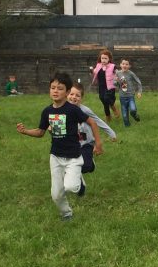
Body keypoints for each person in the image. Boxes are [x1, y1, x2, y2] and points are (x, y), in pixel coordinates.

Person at [16, 73, 104, 221]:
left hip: (73, 157)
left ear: (67, 92)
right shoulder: (47, 111)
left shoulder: (73, 110)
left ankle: (79, 182)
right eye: (53, 88)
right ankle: (66, 214)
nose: (55, 91)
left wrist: (98, 143)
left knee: (70, 187)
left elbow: (92, 123)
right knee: (56, 194)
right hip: (55, 157)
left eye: (60, 88)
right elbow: (40, 132)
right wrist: (25, 131)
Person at [67, 82, 116, 176]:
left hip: (87, 142)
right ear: (66, 94)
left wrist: (111, 133)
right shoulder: (64, 109)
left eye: (77, 95)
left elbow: (97, 121)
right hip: (73, 143)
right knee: (74, 167)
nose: (74, 97)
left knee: (86, 166)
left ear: (81, 98)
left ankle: (91, 164)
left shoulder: (85, 110)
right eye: (71, 94)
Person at [91, 49, 121, 122]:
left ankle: (114, 108)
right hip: (101, 86)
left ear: (109, 59)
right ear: (100, 58)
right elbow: (95, 72)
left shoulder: (112, 66)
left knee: (107, 98)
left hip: (110, 86)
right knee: (103, 99)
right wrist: (91, 71)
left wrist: (119, 78)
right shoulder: (98, 65)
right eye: (102, 58)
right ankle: (108, 116)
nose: (103, 60)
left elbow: (118, 73)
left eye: (105, 58)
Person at [115, 58, 143, 127]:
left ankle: (135, 116)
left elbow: (138, 82)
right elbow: (115, 84)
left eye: (126, 64)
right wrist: (116, 81)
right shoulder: (118, 73)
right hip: (122, 97)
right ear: (120, 65)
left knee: (133, 110)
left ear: (129, 66)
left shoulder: (131, 74)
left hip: (130, 96)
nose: (124, 65)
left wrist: (139, 92)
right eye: (123, 64)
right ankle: (127, 126)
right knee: (124, 116)